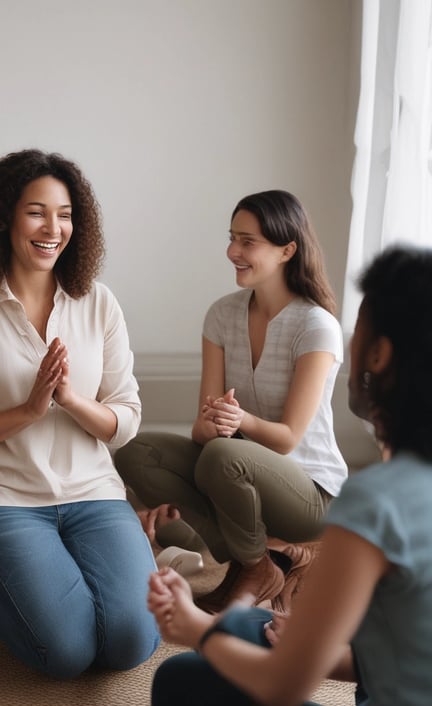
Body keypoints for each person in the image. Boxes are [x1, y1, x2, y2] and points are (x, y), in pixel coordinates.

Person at [146, 243, 432, 706]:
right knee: (243, 628)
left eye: (359, 325)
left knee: (183, 680)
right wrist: (308, 646)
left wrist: (192, 628)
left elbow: (282, 689)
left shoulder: (380, 501)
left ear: (379, 354)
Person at [0, 148, 160, 679]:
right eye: (36, 212)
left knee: (131, 642)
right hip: (4, 499)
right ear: (3, 218)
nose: (54, 227)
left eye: (66, 213)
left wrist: (71, 401)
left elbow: (126, 419)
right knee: (66, 653)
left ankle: (39, 577)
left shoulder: (98, 302)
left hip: (94, 493)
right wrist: (28, 410)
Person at [114, 190, 347, 613]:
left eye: (247, 242)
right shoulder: (221, 315)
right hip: (233, 472)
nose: (232, 251)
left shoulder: (317, 327)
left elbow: (289, 438)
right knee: (138, 452)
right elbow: (203, 432)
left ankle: (259, 563)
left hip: (310, 491)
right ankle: (259, 561)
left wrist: (239, 422)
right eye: (232, 238)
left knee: (224, 456)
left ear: (287, 250)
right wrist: (212, 422)